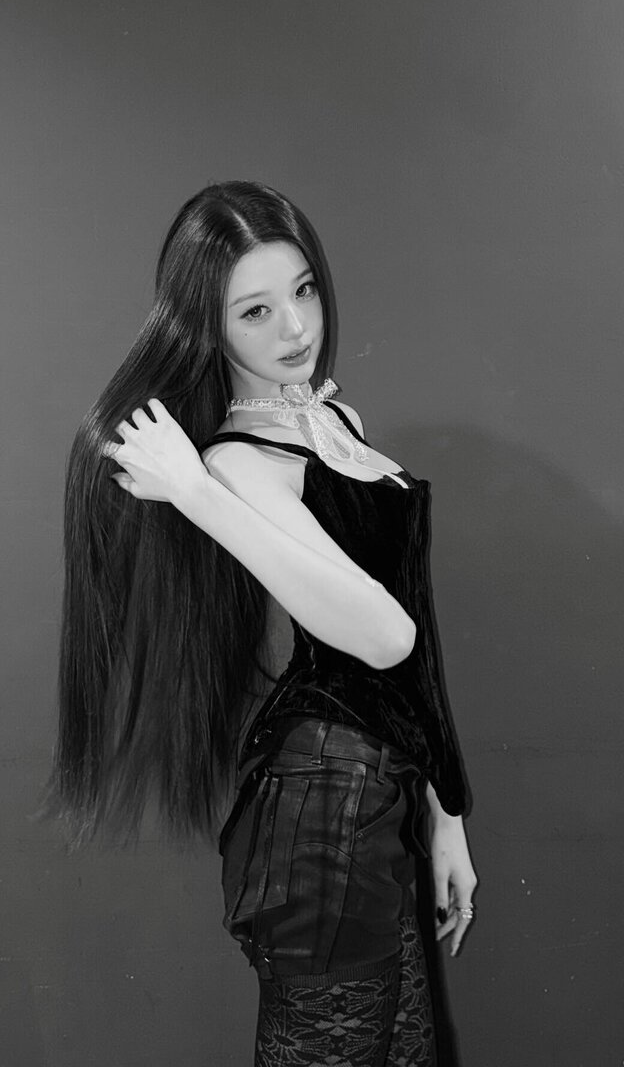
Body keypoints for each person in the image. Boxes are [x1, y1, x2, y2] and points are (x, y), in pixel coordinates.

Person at [50, 180, 477, 1066]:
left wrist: (446, 817)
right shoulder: (240, 464)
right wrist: (197, 492)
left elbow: (412, 633)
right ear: (209, 330)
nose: (296, 327)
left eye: (304, 290)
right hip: (322, 809)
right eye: (256, 311)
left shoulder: (334, 420)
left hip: (376, 797)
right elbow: (385, 636)